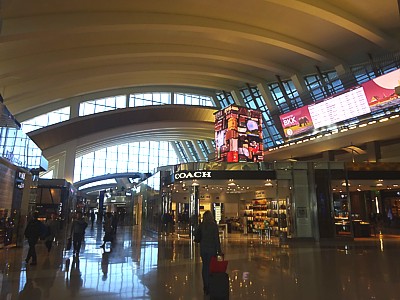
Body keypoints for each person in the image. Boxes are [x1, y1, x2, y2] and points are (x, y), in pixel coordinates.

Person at [196, 210, 222, 295]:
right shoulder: (213, 226)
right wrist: (219, 251)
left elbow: (195, 233)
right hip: (212, 250)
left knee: (205, 267)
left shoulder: (201, 225)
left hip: (203, 249)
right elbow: (216, 239)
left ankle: (205, 285)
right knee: (211, 268)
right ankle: (210, 284)